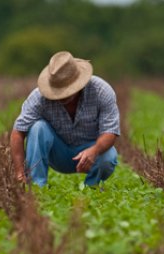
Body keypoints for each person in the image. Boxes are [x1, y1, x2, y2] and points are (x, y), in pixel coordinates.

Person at [10, 51, 120, 187]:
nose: (62, 96)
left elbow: (110, 132)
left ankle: (92, 189)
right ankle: (36, 188)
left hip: (90, 150)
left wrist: (94, 150)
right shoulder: (39, 97)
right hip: (58, 153)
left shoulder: (101, 91)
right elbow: (17, 132)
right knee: (38, 128)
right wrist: (19, 173)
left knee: (108, 156)